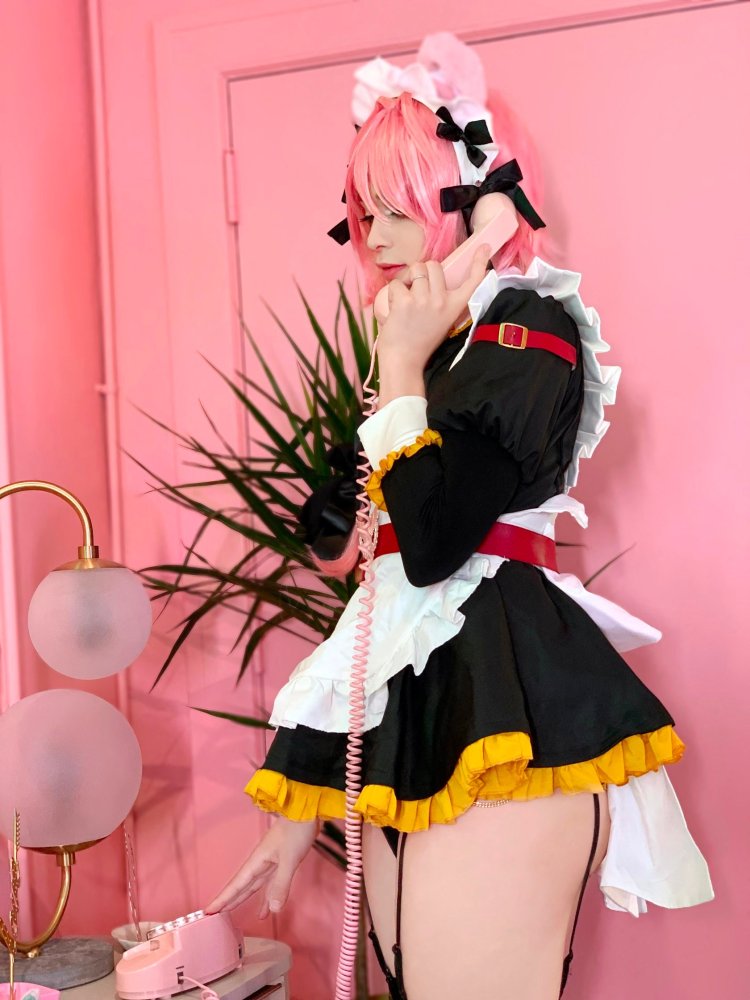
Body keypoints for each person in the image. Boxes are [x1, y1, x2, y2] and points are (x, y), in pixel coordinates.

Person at [205, 53, 713, 1000]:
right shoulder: (435, 351)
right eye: (364, 212)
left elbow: (436, 547)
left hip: (504, 703)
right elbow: (378, 586)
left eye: (400, 208)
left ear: (483, 204)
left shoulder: (527, 328)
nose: (376, 237)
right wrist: (299, 802)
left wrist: (402, 366)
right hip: (420, 720)